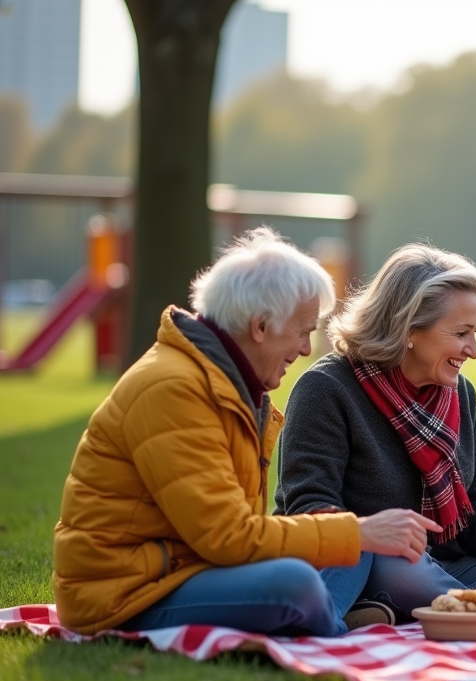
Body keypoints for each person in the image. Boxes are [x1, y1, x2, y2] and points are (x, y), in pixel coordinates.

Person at [52, 227, 424, 637]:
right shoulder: (173, 389)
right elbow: (227, 536)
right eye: (303, 331)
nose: (305, 349)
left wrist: (355, 533)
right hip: (125, 594)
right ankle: (329, 621)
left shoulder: (227, 383)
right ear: (260, 326)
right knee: (301, 581)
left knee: (350, 546)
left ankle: (324, 615)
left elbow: (231, 532)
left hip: (190, 569)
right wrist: (357, 532)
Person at [275, 243, 476, 625]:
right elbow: (306, 508)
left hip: (442, 568)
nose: (473, 350)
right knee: (401, 563)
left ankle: (441, 608)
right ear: (409, 328)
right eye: (461, 333)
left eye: (475, 332)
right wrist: (376, 532)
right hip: (369, 562)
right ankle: (474, 609)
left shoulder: (460, 394)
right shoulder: (327, 387)